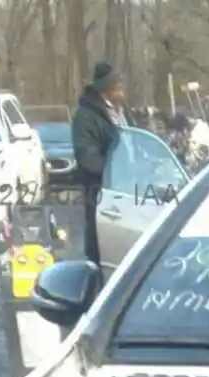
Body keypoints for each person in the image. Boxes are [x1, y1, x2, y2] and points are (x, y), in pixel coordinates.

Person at [70, 60, 126, 265]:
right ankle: (98, 277)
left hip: (125, 188)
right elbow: (87, 157)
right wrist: (114, 170)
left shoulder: (120, 112)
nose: (122, 92)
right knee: (100, 240)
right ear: (107, 90)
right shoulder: (86, 118)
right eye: (118, 88)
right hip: (100, 189)